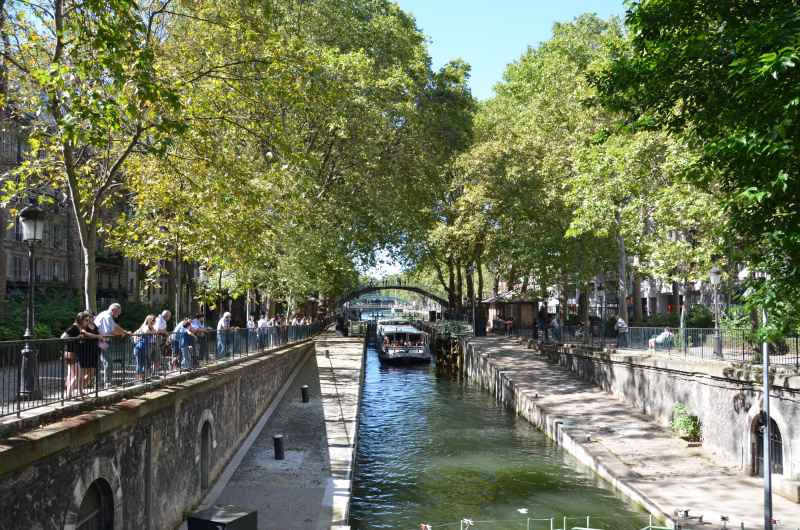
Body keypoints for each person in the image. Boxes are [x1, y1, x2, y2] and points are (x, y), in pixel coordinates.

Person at [94, 303, 131, 389]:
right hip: (101, 342)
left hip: (102, 342)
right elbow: (111, 330)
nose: (118, 315)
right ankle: (107, 383)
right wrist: (123, 333)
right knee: (107, 362)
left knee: (103, 362)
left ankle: (100, 383)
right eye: (118, 313)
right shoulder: (107, 316)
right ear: (114, 310)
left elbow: (115, 326)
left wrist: (124, 332)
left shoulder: (107, 315)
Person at [62, 312, 92, 398]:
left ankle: (72, 393)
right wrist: (77, 338)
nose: (88, 322)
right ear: (81, 320)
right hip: (70, 353)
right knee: (76, 374)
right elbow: (63, 337)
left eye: (88, 320)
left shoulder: (79, 328)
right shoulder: (74, 327)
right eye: (86, 320)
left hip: (73, 353)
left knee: (75, 374)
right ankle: (68, 394)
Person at [133, 315, 157, 382]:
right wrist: (152, 330)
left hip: (144, 348)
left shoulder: (150, 327)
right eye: (153, 321)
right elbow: (146, 331)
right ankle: (139, 379)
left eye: (154, 321)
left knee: (146, 363)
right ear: (149, 321)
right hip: (139, 347)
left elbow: (155, 331)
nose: (154, 322)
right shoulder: (145, 327)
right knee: (140, 363)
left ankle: (143, 377)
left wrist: (153, 330)